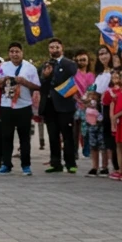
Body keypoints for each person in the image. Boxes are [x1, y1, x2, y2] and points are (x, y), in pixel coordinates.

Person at [0, 42, 39, 175]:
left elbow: (37, 86)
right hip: (6, 106)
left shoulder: (30, 68)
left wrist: (24, 82)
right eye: (12, 51)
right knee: (6, 136)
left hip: (24, 106)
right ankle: (6, 164)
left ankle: (26, 166)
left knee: (24, 137)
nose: (14, 54)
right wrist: (4, 80)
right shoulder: (3, 67)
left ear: (22, 53)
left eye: (17, 51)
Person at [39, 38, 79, 173]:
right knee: (53, 135)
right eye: (51, 47)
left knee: (67, 135)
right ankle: (55, 163)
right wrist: (45, 76)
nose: (54, 50)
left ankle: (71, 163)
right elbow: (41, 86)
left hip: (64, 105)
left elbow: (74, 82)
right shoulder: (45, 65)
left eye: (56, 47)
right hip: (49, 105)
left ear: (62, 48)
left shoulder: (70, 64)